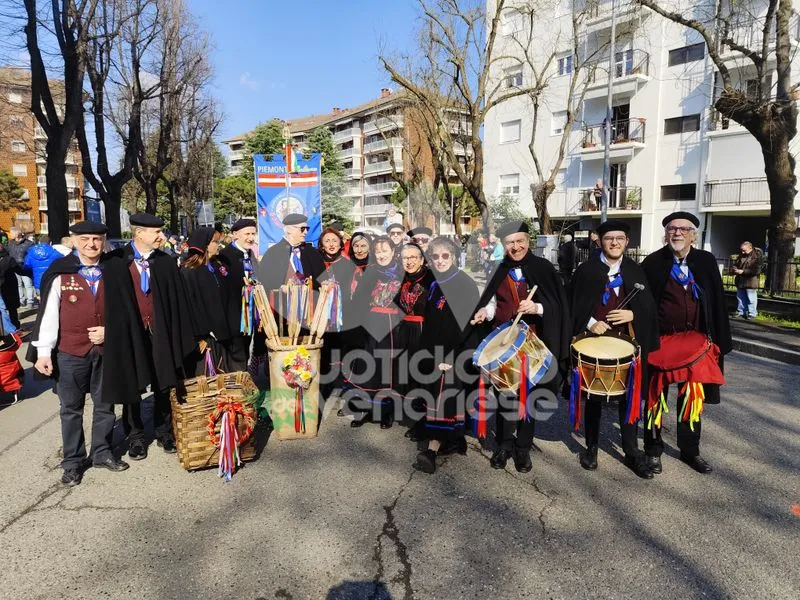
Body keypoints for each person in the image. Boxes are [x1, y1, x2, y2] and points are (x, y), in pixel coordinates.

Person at [28, 221, 129, 486]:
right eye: (84, 239)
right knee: (71, 409)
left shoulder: (114, 271)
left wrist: (110, 331)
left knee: (105, 405)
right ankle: (73, 461)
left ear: (104, 241)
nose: (91, 244)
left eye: (97, 239)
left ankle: (102, 452)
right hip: (70, 352)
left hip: (105, 350)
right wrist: (43, 352)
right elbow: (49, 315)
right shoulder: (61, 272)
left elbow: (125, 311)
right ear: (73, 241)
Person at [472, 221, 571, 473]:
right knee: (506, 395)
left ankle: (523, 448)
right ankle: (504, 444)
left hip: (533, 341)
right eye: (510, 243)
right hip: (505, 339)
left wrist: (536, 308)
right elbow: (493, 300)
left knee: (528, 396)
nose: (515, 247)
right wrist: (486, 310)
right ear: (503, 245)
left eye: (520, 242)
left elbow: (558, 305)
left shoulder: (543, 268)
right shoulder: (499, 268)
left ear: (528, 241)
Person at [566, 220, 659, 479]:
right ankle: (592, 448)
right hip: (593, 342)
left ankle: (631, 452)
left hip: (628, 344)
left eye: (620, 238)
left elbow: (650, 308)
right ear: (600, 241)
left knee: (629, 399)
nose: (615, 242)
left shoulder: (635, 271)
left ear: (627, 242)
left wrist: (633, 313)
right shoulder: (586, 270)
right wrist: (590, 322)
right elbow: (571, 304)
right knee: (594, 398)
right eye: (609, 238)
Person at [641, 211, 732, 474]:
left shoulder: (704, 261)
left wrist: (719, 339)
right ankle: (652, 450)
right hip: (661, 341)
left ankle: (691, 451)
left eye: (683, 229)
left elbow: (716, 302)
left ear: (693, 234)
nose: (677, 233)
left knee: (692, 399)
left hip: (696, 341)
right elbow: (644, 304)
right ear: (666, 233)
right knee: (654, 398)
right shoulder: (654, 262)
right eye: (672, 229)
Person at [101, 213, 195, 461]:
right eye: (156, 233)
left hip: (160, 332)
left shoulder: (164, 262)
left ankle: (165, 432)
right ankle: (136, 437)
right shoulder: (116, 261)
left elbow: (177, 301)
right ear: (139, 233)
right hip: (130, 334)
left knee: (164, 382)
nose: (161, 237)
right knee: (131, 385)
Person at [414, 236, 480, 474]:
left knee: (442, 401)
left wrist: (450, 357)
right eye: (435, 256)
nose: (440, 260)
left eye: (445, 256)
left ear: (453, 256)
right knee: (439, 399)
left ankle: (431, 451)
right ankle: (454, 440)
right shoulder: (435, 283)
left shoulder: (463, 283)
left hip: (452, 352)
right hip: (434, 351)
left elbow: (464, 326)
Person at [347, 236, 402, 428]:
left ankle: (386, 412)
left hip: (391, 325)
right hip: (370, 322)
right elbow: (359, 300)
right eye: (378, 251)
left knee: (386, 368)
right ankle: (367, 410)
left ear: (393, 252)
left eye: (385, 251)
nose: (381, 255)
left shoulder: (401, 271)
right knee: (368, 368)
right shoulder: (370, 272)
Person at [392, 243, 435, 429]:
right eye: (405, 258)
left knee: (422, 374)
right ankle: (410, 416)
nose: (408, 262)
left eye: (413, 258)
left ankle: (424, 421)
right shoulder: (400, 278)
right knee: (405, 373)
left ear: (422, 259)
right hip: (404, 330)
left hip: (423, 330)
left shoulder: (432, 279)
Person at [180, 227, 233, 376]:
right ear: (204, 245)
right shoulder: (189, 271)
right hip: (204, 336)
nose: (219, 245)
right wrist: (202, 334)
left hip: (219, 333)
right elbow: (190, 306)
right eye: (215, 242)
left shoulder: (213, 267)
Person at [317, 226, 357, 399]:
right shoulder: (317, 262)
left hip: (343, 313)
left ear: (341, 243)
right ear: (322, 244)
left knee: (341, 349)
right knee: (324, 349)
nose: (331, 244)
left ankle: (342, 385)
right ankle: (324, 384)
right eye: (327, 241)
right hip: (320, 313)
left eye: (334, 240)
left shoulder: (348, 263)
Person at [218, 218, 259, 371]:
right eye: (247, 234)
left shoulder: (250, 255)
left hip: (250, 313)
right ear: (235, 234)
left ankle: (244, 380)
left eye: (253, 234)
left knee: (246, 347)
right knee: (236, 352)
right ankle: (237, 385)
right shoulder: (224, 256)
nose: (251, 238)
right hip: (234, 312)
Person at [24, 235, 63, 301]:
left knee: (41, 301)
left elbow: (26, 266)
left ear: (39, 242)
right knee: (52, 300)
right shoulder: (55, 253)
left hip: (38, 281)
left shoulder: (31, 252)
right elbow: (64, 262)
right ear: (50, 243)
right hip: (51, 280)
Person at [732, 241, 760, 319]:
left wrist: (743, 271)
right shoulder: (741, 256)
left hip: (750, 281)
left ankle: (752, 313)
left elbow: (756, 270)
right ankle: (741, 312)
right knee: (740, 298)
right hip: (740, 281)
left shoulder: (756, 257)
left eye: (744, 250)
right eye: (742, 250)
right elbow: (735, 264)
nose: (742, 252)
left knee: (751, 299)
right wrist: (734, 269)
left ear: (750, 248)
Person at [7, 227, 34, 307]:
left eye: (11, 233)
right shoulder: (10, 243)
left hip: (24, 266)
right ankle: (21, 300)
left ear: (16, 234)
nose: (10, 234)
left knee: (27, 284)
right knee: (18, 284)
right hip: (13, 266)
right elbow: (7, 252)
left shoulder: (29, 243)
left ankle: (30, 301)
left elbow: (31, 255)